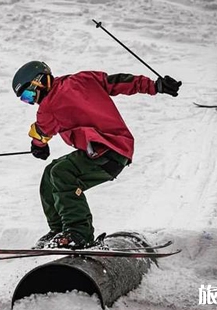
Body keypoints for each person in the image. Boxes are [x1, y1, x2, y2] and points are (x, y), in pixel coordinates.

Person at [11, 61, 182, 249]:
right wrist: (155, 86)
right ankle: (59, 230)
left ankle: (78, 233)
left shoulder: (47, 108)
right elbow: (117, 82)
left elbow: (42, 132)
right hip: (117, 148)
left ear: (39, 82)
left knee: (61, 173)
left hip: (108, 153)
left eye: (28, 95)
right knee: (50, 173)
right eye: (25, 100)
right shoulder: (82, 79)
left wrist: (38, 146)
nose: (32, 101)